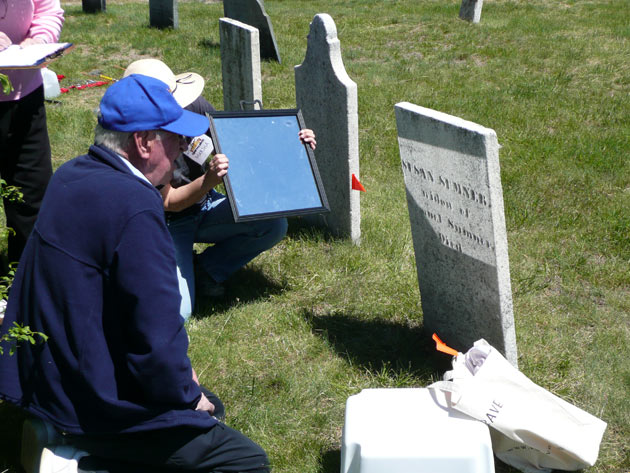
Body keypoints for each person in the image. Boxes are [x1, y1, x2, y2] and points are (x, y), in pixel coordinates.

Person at [0, 74, 269, 473]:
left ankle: (59, 435)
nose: (181, 150)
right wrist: (188, 396)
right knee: (243, 460)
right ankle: (78, 460)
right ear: (143, 142)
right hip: (93, 398)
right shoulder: (138, 208)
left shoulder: (71, 174)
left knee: (210, 409)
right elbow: (155, 336)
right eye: (173, 137)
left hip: (45, 377)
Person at [123, 59, 317, 319]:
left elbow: (239, 145)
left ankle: (206, 269)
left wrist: (290, 139)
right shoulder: (138, 138)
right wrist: (209, 180)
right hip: (168, 222)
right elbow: (169, 202)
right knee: (179, 312)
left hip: (205, 205)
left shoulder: (195, 106)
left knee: (273, 225)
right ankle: (170, 263)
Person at [0, 0, 64, 265]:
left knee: (31, 194)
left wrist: (38, 40)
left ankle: (23, 281)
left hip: (24, 93)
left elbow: (48, 9)